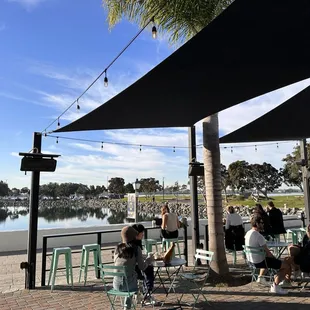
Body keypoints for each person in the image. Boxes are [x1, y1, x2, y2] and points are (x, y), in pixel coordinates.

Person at [244, 214, 292, 294]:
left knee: (271, 260)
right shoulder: (259, 236)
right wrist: (277, 259)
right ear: (257, 224)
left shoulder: (248, 233)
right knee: (286, 266)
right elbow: (269, 254)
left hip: (251, 262)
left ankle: (261, 277)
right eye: (261, 223)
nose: (263, 224)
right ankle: (275, 286)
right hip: (261, 262)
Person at [113, 226, 154, 309]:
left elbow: (120, 262)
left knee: (127, 277)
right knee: (134, 278)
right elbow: (142, 267)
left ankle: (127, 306)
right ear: (133, 236)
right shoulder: (136, 248)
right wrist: (149, 260)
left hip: (116, 284)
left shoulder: (117, 248)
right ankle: (133, 303)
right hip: (129, 286)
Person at [131, 224, 156, 305]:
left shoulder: (124, 244)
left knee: (147, 268)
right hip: (134, 271)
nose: (143, 234)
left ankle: (145, 293)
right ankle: (147, 293)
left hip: (124, 274)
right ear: (137, 233)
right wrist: (148, 259)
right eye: (142, 232)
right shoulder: (135, 246)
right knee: (149, 268)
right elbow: (140, 264)